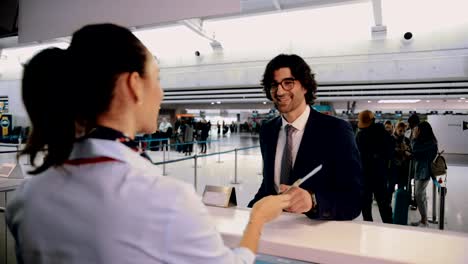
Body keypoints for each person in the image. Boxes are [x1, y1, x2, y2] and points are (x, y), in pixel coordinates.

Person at [6, 23, 291, 264]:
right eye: (157, 78)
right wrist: (258, 219)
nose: (161, 92)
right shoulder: (164, 199)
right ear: (133, 85)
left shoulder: (27, 197)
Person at [248, 54, 363, 220]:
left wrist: (313, 201)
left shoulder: (336, 130)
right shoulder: (268, 130)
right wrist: (244, 214)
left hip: (315, 235)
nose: (279, 91)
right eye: (274, 85)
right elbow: (269, 188)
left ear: (305, 86)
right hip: (274, 231)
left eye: (288, 83)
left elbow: (353, 199)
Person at [355, 110, 394, 224]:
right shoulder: (383, 133)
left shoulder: (360, 135)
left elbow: (357, 156)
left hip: (365, 175)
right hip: (379, 174)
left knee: (366, 205)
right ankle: (390, 226)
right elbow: (390, 152)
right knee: (384, 204)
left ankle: (368, 227)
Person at [409, 121, 438, 227]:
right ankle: (423, 219)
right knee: (422, 195)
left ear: (422, 131)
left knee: (418, 194)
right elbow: (417, 153)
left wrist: (414, 137)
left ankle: (424, 220)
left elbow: (416, 151)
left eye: (418, 130)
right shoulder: (427, 142)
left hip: (424, 172)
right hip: (420, 171)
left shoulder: (430, 143)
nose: (416, 131)